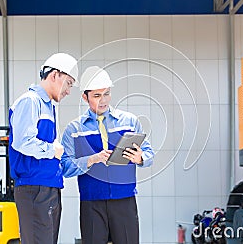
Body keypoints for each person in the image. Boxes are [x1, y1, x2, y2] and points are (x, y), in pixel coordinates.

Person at [61, 66, 155, 244]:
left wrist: (140, 158)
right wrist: (91, 160)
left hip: (124, 200)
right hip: (91, 202)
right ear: (85, 97)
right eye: (97, 96)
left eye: (106, 94)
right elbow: (65, 167)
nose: (103, 100)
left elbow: (149, 153)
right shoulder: (74, 130)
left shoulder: (129, 122)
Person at [8, 53, 78, 244]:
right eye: (69, 83)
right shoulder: (30, 101)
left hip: (48, 187)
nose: (69, 91)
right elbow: (21, 142)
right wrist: (52, 150)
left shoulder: (48, 107)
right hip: (34, 188)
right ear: (55, 75)